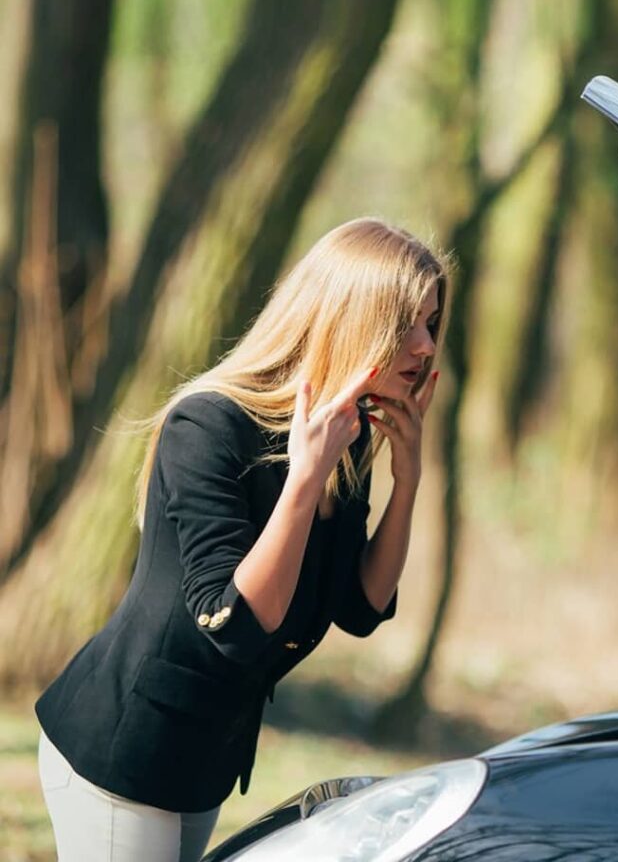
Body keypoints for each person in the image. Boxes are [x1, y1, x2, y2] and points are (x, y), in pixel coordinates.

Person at [34, 218, 450, 862]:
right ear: (352, 318)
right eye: (410, 324)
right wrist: (305, 482)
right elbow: (237, 623)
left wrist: (410, 476)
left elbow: (361, 609)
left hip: (204, 760)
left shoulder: (348, 435)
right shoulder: (207, 425)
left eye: (432, 322)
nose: (427, 346)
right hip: (122, 754)